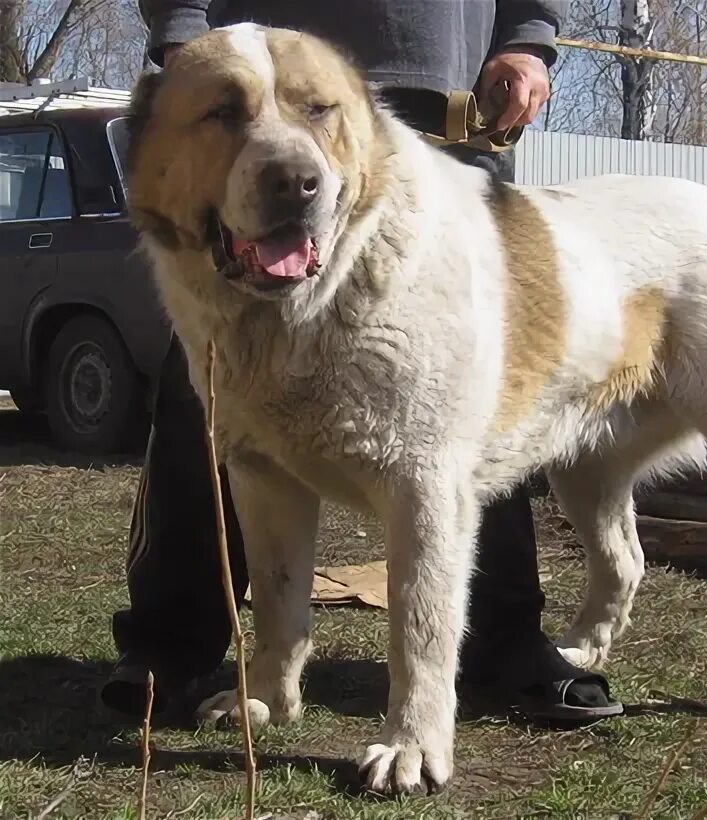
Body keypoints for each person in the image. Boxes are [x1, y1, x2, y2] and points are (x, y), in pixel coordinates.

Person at [100, 0, 624, 725]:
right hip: (226, 75)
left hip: (436, 95)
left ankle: (500, 648)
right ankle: (175, 645)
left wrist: (527, 38)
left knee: (470, 396)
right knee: (211, 413)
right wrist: (186, 46)